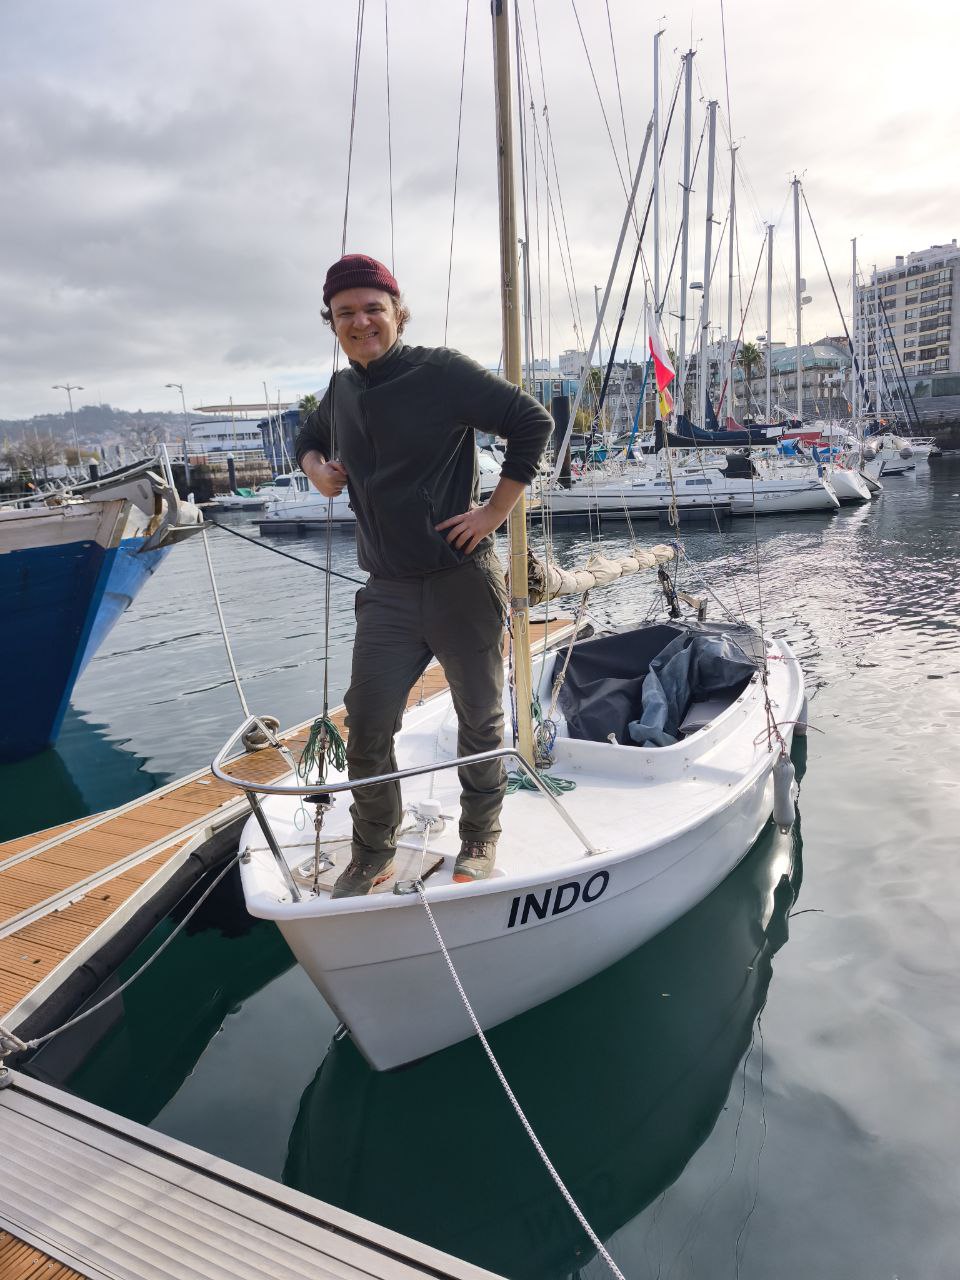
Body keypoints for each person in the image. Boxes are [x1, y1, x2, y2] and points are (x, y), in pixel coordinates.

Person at [296, 253, 553, 897]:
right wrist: (315, 469)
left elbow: (532, 422)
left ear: (397, 313)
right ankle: (375, 845)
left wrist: (495, 509)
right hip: (385, 592)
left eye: (372, 309)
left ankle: (479, 834)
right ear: (331, 320)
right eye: (346, 312)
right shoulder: (343, 389)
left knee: (479, 718)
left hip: (459, 582)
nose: (361, 322)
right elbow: (311, 433)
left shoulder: (439, 372)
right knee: (367, 718)